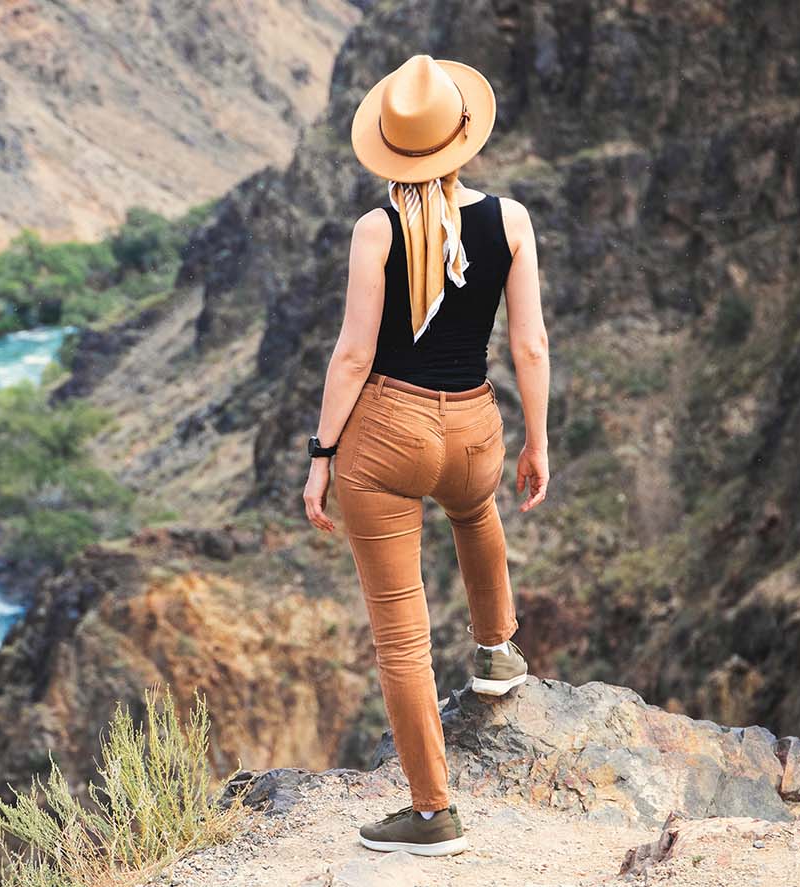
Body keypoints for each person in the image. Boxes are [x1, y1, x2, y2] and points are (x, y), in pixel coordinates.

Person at [301, 54, 551, 857]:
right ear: (463, 139)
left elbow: (351, 356)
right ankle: (497, 649)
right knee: (475, 509)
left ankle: (431, 809)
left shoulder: (377, 229)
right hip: (475, 426)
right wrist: (538, 440)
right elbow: (530, 344)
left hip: (387, 436)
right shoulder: (512, 220)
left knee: (401, 638)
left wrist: (321, 455)